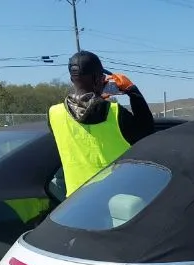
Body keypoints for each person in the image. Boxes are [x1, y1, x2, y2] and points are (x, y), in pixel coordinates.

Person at [48, 50, 155, 197]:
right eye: (102, 77)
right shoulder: (115, 112)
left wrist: (98, 98)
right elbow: (147, 132)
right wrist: (132, 91)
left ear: (72, 79)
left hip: (76, 202)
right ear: (97, 79)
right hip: (116, 197)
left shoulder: (54, 114)